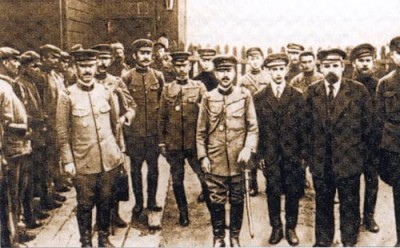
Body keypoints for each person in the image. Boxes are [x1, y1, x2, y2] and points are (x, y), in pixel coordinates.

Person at [57, 48, 125, 247]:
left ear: (96, 67)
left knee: (106, 200)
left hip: (108, 160)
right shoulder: (67, 96)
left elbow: (115, 125)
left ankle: (103, 239)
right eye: (82, 66)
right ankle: (85, 242)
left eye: (90, 66)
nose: (87, 70)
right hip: (83, 161)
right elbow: (62, 133)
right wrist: (68, 161)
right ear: (76, 68)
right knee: (85, 204)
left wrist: (119, 152)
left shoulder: (105, 92)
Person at [305, 48, 372, 247]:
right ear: (320, 68)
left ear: (343, 67)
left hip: (349, 161)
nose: (331, 70)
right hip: (321, 162)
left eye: (335, 66)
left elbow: (369, 129)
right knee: (323, 203)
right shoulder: (312, 92)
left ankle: (349, 241)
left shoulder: (359, 91)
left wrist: (361, 159)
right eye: (326, 66)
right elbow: (305, 129)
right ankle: (324, 241)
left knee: (350, 204)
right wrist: (310, 160)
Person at [197, 55, 258, 247]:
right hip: (215, 159)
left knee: (237, 198)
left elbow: (253, 127)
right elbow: (200, 132)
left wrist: (248, 148)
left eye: (229, 71)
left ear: (235, 73)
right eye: (221, 71)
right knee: (216, 200)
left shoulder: (244, 96)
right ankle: (218, 237)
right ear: (215, 73)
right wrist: (203, 156)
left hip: (239, 159)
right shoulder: (208, 97)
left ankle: (234, 236)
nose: (225, 75)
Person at [254, 53, 306, 246]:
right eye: (273, 69)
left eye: (281, 69)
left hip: (292, 154)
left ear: (286, 70)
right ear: (267, 71)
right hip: (271, 154)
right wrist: (259, 154)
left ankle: (290, 227)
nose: (277, 73)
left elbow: (304, 128)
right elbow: (256, 128)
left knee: (293, 191)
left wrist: (303, 155)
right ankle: (276, 227)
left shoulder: (297, 96)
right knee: (273, 191)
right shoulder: (259, 97)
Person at [158, 51, 208, 226]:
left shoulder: (199, 87)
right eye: (178, 65)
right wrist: (162, 142)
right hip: (174, 144)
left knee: (204, 177)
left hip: (194, 143)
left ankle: (214, 213)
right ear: (173, 67)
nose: (181, 69)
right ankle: (183, 213)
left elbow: (207, 115)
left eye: (185, 65)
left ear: (190, 66)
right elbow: (162, 117)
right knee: (177, 180)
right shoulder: (167, 89)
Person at [91, 43, 136, 229]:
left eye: (106, 58)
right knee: (94, 179)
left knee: (115, 177)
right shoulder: (85, 82)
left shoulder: (116, 81)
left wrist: (124, 119)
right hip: (92, 139)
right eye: (99, 58)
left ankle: (115, 214)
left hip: (114, 139)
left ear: (110, 60)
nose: (102, 62)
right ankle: (99, 219)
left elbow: (131, 106)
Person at [122, 39, 165, 223]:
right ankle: (138, 203)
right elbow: (123, 105)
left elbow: (162, 106)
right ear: (135, 56)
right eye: (142, 53)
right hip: (135, 134)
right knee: (135, 170)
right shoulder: (127, 77)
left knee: (153, 169)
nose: (146, 56)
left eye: (148, 53)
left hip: (153, 134)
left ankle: (151, 201)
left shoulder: (158, 76)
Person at [0, 47, 35, 244]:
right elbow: (3, 123)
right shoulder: (2, 87)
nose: (18, 64)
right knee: (10, 199)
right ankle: (11, 240)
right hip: (11, 150)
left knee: (17, 195)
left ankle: (16, 233)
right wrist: (24, 128)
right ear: (5, 63)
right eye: (14, 61)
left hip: (19, 148)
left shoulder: (8, 85)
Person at [350, 43, 380, 233]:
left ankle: (369, 217)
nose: (364, 64)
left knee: (372, 181)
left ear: (373, 62)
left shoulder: (379, 85)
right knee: (352, 182)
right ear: (354, 63)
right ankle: (353, 219)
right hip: (352, 143)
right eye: (360, 61)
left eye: (368, 61)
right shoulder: (347, 86)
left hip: (373, 143)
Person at [376, 36, 400, 246]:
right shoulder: (385, 83)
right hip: (395, 147)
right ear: (392, 56)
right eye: (399, 53)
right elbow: (379, 118)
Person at [238, 47, 272, 197]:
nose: (254, 62)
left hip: (266, 119)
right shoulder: (243, 80)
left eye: (257, 58)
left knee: (267, 151)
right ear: (247, 61)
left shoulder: (268, 77)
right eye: (251, 59)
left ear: (262, 59)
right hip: (250, 119)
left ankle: (270, 182)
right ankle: (253, 185)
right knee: (252, 152)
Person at [38, 44, 67, 207]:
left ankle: (53, 190)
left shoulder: (54, 75)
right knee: (46, 162)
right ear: (44, 58)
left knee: (54, 158)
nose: (55, 60)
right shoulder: (41, 77)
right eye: (52, 57)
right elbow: (41, 102)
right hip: (47, 126)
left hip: (56, 123)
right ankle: (46, 196)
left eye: (57, 57)